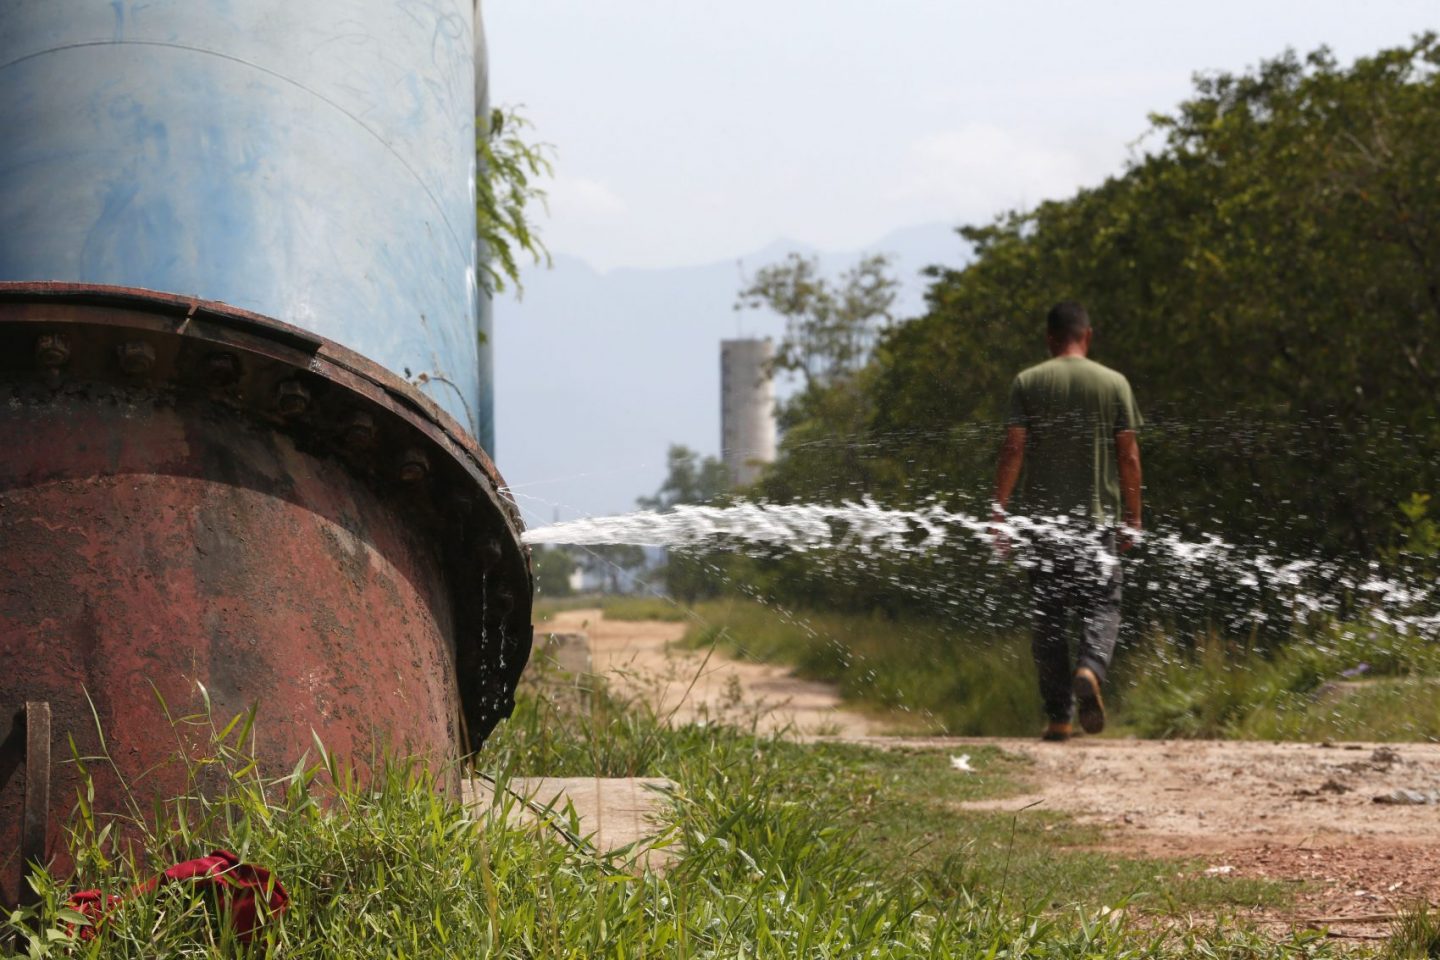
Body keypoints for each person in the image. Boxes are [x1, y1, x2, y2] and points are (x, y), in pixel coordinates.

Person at [991, 301, 1143, 742]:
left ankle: (1059, 716)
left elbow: (1013, 450)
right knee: (1102, 605)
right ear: (1087, 335)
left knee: (1049, 618)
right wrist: (1133, 514)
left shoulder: (1028, 382)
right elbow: (1129, 455)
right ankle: (1090, 670)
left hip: (1042, 527)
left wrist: (999, 512)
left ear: (1050, 338)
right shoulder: (1114, 383)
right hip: (1096, 524)